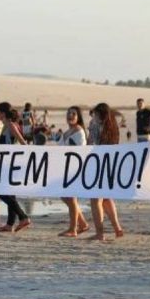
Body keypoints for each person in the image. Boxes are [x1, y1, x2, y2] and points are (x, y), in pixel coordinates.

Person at [88, 103, 125, 241]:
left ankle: (100, 233)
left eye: (95, 114)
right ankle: (117, 228)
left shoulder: (96, 124)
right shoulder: (113, 126)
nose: (93, 116)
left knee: (95, 199)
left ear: (99, 114)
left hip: (99, 164)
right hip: (111, 165)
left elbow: (90, 142)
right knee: (106, 198)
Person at [0, 102, 31, 232]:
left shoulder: (10, 125)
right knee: (10, 193)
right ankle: (10, 224)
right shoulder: (6, 125)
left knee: (4, 194)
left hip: (10, 164)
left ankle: (23, 217)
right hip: (6, 164)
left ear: (3, 113)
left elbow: (22, 142)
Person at [58, 107, 90, 237]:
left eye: (73, 114)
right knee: (64, 195)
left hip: (74, 169)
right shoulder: (66, 132)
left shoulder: (79, 131)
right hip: (64, 168)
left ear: (78, 117)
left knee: (71, 197)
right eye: (68, 113)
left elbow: (81, 150)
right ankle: (82, 223)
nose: (70, 116)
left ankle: (73, 229)